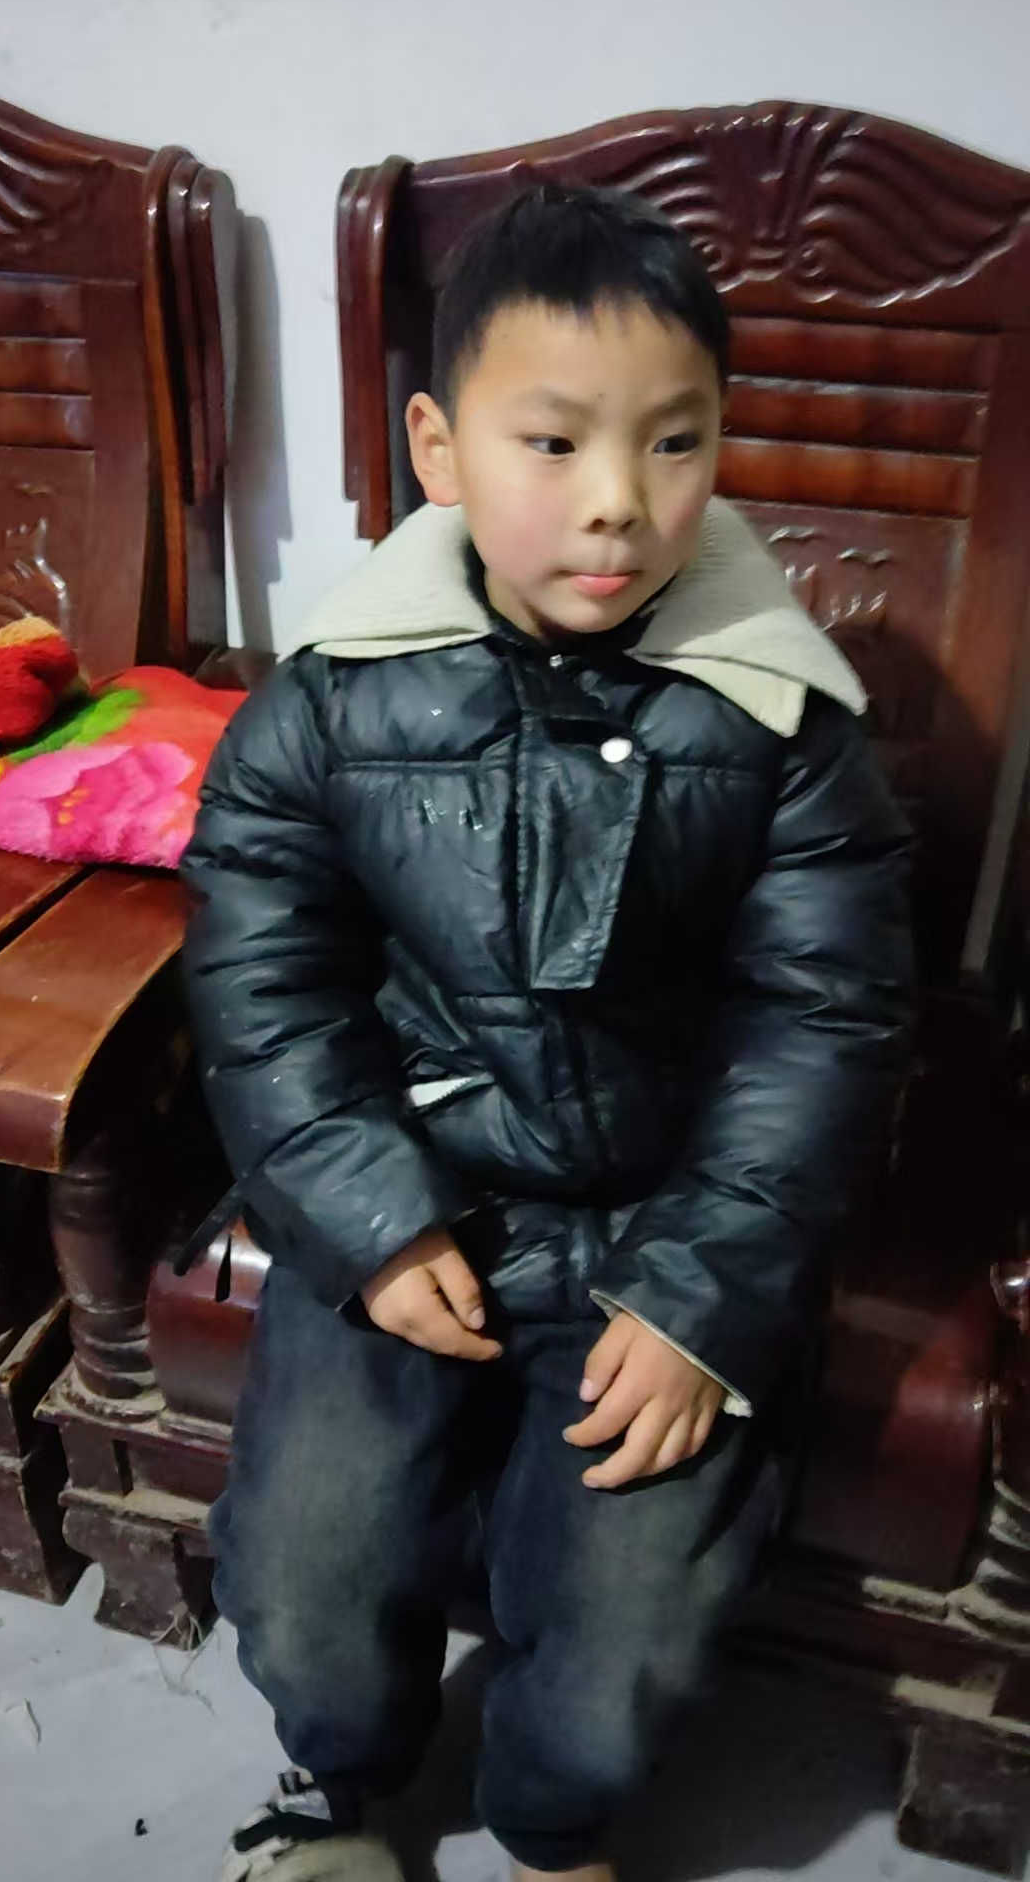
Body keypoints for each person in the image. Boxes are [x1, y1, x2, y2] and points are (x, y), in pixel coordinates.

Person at [181, 181, 913, 1882]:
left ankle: (553, 1828)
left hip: (663, 1230)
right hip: (399, 1209)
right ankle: (335, 1796)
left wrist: (703, 1298)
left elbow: (824, 1023)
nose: (619, 503)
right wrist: (369, 1221)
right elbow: (263, 982)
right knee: (308, 1562)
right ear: (439, 450)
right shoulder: (330, 699)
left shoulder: (786, 724)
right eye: (557, 441)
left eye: (676, 442)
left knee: (631, 1621)